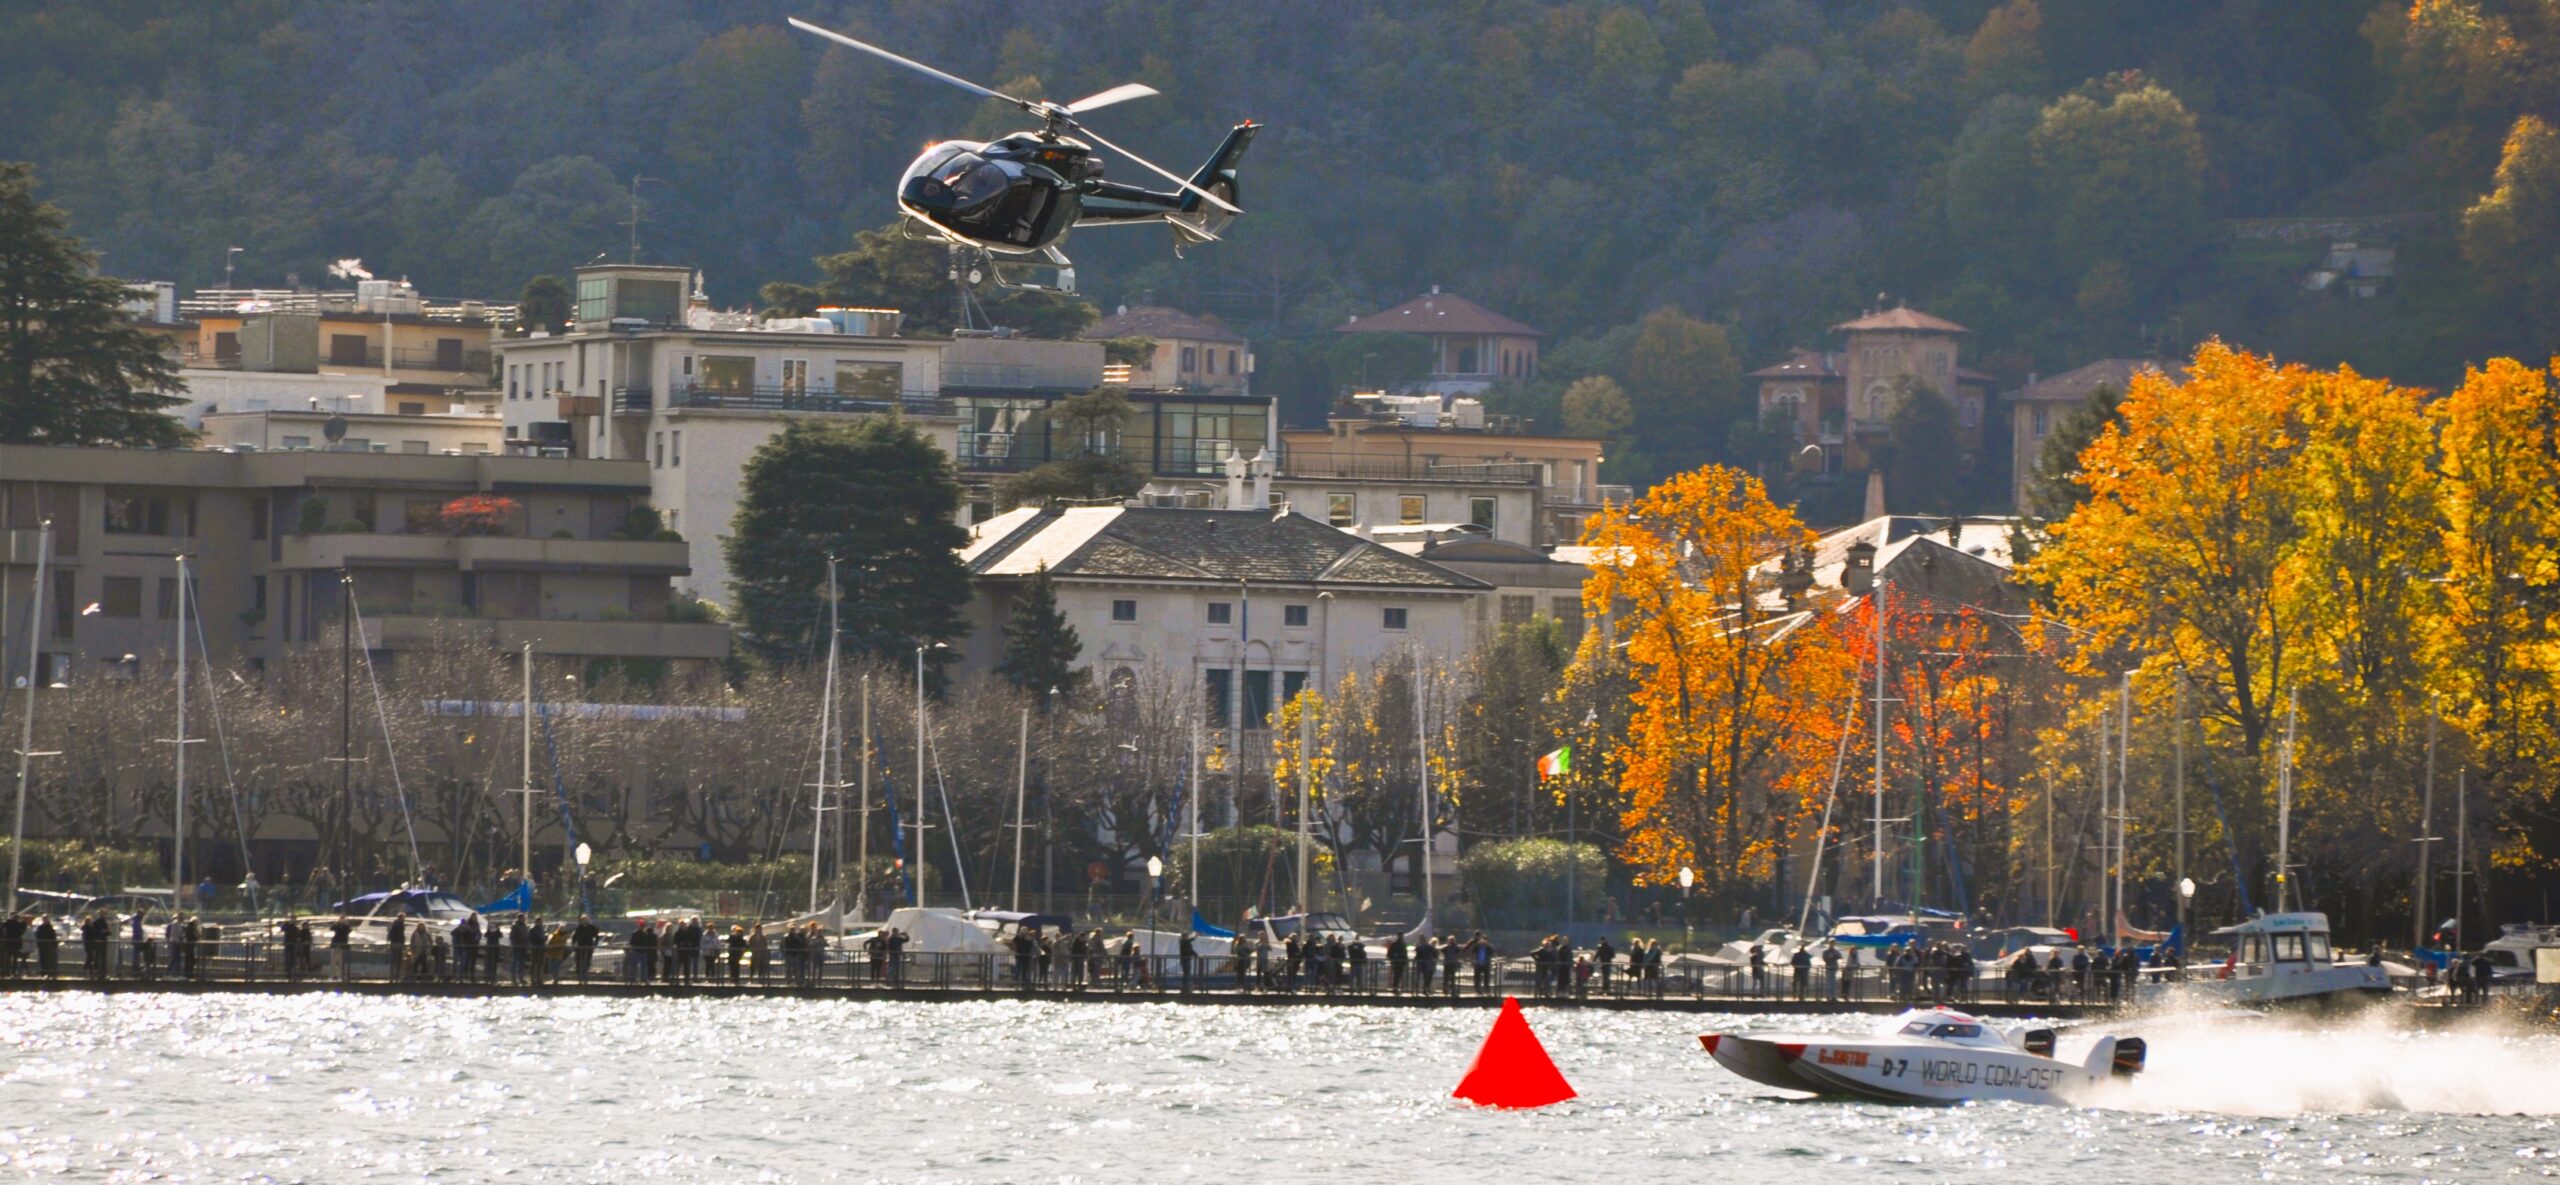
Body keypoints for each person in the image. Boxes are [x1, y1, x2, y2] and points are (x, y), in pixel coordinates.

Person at [329, 917, 353, 983]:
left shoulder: (346, 926)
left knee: (341, 960)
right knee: (333, 960)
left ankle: (340, 975)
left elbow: (349, 930)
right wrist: (337, 923)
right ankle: (333, 975)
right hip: (335, 943)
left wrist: (346, 924)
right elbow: (331, 928)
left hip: (342, 944)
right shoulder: (337, 925)